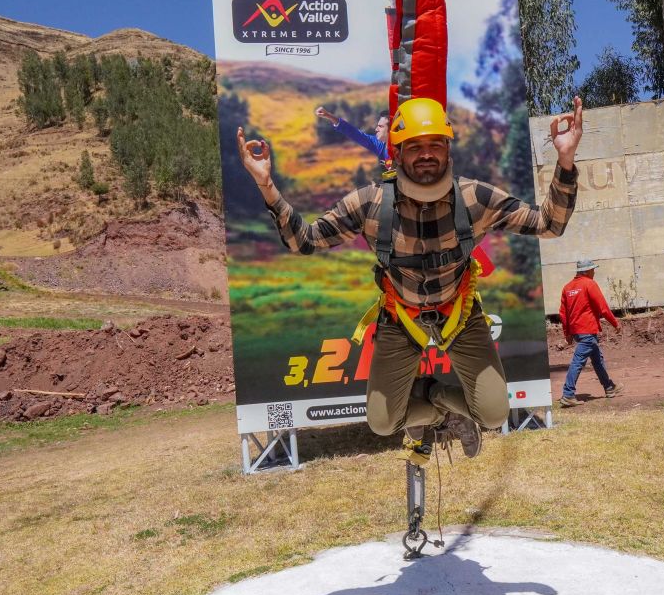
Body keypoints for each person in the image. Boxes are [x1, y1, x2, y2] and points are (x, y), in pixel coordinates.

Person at [237, 96, 583, 462]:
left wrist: (565, 161)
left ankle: (434, 396)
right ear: (397, 154)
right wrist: (267, 187)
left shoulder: (474, 198)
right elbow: (303, 241)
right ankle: (440, 410)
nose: (426, 153)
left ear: (449, 150)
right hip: (401, 321)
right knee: (383, 423)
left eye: (436, 144)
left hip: (460, 318)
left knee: (494, 414)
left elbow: (549, 224)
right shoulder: (370, 203)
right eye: (414, 146)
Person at [558, 260, 623, 407]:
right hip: (587, 330)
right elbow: (603, 307)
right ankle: (568, 394)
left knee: (597, 359)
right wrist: (615, 323)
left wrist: (567, 333)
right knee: (577, 362)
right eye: (593, 270)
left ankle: (609, 387)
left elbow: (563, 314)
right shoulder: (589, 284)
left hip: (577, 332)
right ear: (587, 271)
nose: (594, 272)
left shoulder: (567, 288)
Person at [315, 106, 390, 165]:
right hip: (393, 183)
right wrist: (328, 116)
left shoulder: (401, 148)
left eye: (381, 126)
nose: (376, 129)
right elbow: (354, 133)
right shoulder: (379, 145)